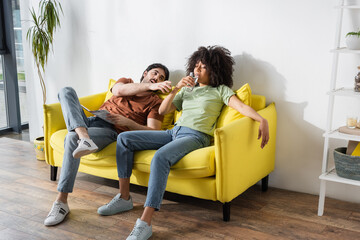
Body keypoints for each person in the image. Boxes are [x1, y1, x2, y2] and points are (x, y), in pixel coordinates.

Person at [97, 46, 270, 240]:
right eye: (196, 66)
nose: (197, 70)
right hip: (172, 133)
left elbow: (241, 107)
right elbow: (163, 111)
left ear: (214, 70)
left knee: (160, 157)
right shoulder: (187, 90)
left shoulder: (220, 91)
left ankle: (145, 222)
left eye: (203, 67)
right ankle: (124, 197)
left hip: (195, 136)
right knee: (124, 139)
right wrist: (177, 88)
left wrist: (262, 120)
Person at [44, 63, 172, 226]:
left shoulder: (154, 102)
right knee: (66, 91)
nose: (157, 79)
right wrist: (150, 85)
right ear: (145, 73)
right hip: (90, 120)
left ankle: (61, 202)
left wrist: (129, 123)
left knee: (71, 138)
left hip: (110, 131)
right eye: (155, 74)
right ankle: (83, 136)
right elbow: (118, 90)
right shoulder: (126, 82)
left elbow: (153, 130)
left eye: (161, 78)